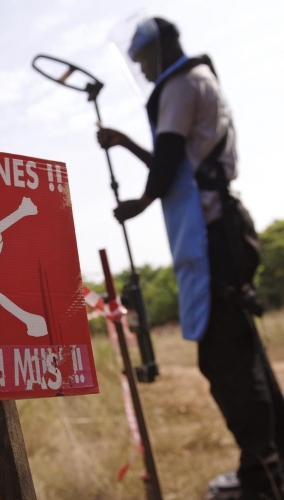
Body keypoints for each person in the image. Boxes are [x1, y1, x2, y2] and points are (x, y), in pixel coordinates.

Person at [97, 17, 284, 500]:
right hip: (223, 232)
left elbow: (167, 163)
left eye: (143, 59)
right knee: (241, 353)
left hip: (215, 237)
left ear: (162, 48)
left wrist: (136, 205)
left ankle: (261, 479)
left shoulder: (180, 84)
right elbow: (175, 162)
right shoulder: (196, 81)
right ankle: (268, 467)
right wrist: (125, 143)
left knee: (226, 359)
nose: (142, 67)